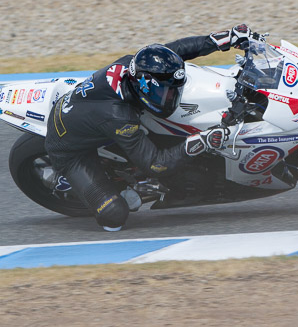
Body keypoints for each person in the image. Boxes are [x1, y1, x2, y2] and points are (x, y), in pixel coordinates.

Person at [45, 25, 255, 231]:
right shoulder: (119, 117)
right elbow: (155, 164)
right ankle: (70, 180)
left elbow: (175, 51)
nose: (172, 96)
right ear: (144, 88)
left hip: (88, 113)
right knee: (114, 216)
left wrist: (226, 39)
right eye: (165, 93)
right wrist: (202, 140)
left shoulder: (137, 64)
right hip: (70, 152)